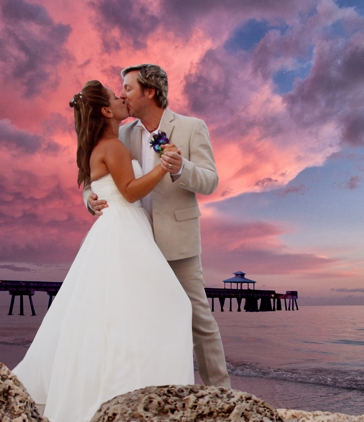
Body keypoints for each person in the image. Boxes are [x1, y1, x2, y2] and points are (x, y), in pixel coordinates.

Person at [13, 80, 194, 422]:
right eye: (115, 96)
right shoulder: (111, 146)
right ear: (107, 111)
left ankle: (123, 389)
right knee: (168, 306)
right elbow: (128, 191)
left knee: (118, 317)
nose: (122, 97)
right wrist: (162, 166)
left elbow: (99, 187)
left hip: (116, 230)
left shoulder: (100, 145)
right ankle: (134, 391)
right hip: (125, 230)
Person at [85, 64, 231, 388]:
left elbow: (210, 181)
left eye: (128, 87)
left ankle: (222, 395)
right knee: (140, 321)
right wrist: (88, 198)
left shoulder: (193, 128)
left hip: (179, 243)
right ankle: (150, 390)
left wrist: (182, 168)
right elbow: (95, 172)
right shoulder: (123, 134)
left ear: (149, 92)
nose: (121, 93)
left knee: (199, 321)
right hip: (135, 245)